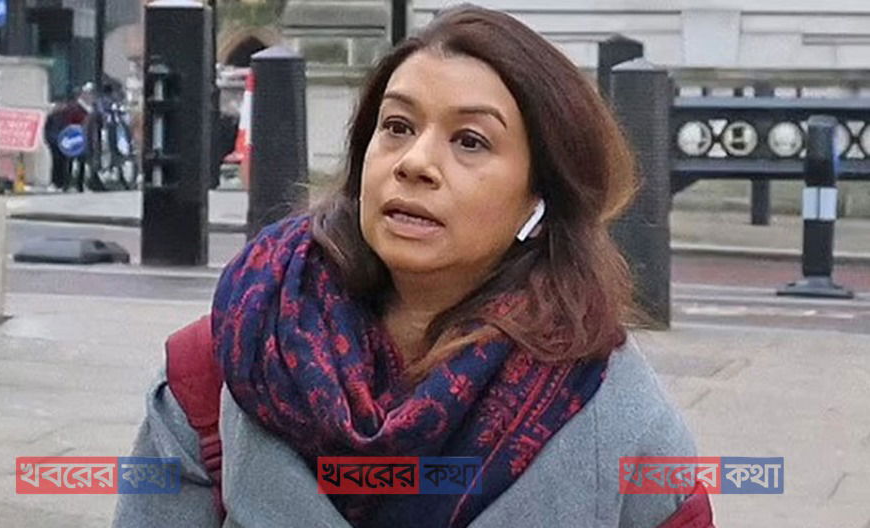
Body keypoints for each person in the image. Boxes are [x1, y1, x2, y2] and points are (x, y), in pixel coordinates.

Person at [113, 5, 712, 527]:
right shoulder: (226, 361)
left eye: (470, 141)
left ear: (540, 193)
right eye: (397, 127)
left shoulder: (617, 415)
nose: (415, 162)